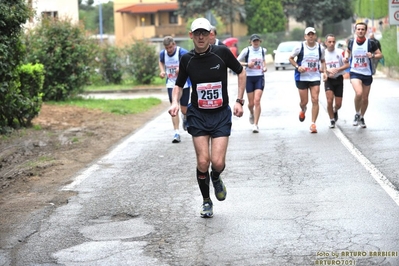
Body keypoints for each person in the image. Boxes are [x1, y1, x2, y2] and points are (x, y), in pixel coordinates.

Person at [168, 18, 246, 218]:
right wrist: (175, 102)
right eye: (197, 33)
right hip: (198, 115)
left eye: (204, 33)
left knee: (217, 163)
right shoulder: (187, 59)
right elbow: (178, 84)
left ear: (210, 34)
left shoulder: (222, 53)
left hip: (220, 115)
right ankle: (206, 201)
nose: (201, 37)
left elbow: (241, 71)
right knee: (203, 161)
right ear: (191, 36)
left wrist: (239, 100)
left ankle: (216, 177)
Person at [344, 22, 383, 128]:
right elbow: (347, 51)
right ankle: (357, 113)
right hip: (355, 72)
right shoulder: (352, 42)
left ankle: (361, 117)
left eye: (362, 29)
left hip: (367, 73)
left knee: (365, 98)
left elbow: (380, 55)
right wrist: (346, 56)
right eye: (358, 29)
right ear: (355, 31)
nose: (360, 31)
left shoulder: (371, 43)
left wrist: (373, 55)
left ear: (365, 31)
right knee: (359, 93)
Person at [289, 27, 326, 133]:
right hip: (302, 77)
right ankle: (303, 109)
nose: (310, 36)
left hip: (314, 76)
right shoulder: (299, 47)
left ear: (315, 36)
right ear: (305, 36)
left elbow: (323, 60)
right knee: (304, 101)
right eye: (308, 34)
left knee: (315, 99)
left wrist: (324, 70)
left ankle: (313, 124)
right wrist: (298, 67)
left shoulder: (320, 48)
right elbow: (290, 58)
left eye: (312, 34)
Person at [159, 36, 191, 143]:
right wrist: (162, 71)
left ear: (174, 44)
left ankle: (185, 117)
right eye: (167, 48)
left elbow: (190, 62)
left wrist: (181, 68)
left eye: (171, 47)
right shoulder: (163, 54)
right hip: (172, 84)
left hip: (184, 84)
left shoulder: (182, 52)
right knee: (174, 107)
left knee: (184, 109)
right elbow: (161, 61)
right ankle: (176, 132)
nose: (169, 50)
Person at [237, 34, 267, 133]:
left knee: (257, 101)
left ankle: (255, 124)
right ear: (250, 42)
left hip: (259, 77)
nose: (256, 42)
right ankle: (251, 112)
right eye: (254, 41)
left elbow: (264, 61)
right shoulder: (247, 51)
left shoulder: (263, 50)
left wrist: (265, 67)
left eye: (257, 41)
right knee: (251, 104)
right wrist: (247, 64)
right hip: (249, 78)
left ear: (260, 41)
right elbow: (237, 61)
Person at [323, 34, 350, 128]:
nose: (332, 44)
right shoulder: (323, 53)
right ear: (326, 43)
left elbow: (347, 65)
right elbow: (319, 68)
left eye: (333, 42)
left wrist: (338, 69)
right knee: (329, 100)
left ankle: (335, 110)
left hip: (339, 79)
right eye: (329, 42)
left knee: (338, 104)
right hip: (329, 80)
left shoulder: (340, 52)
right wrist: (327, 70)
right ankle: (331, 120)